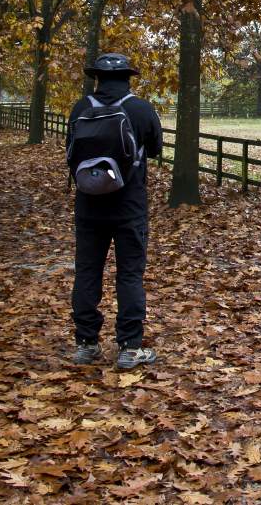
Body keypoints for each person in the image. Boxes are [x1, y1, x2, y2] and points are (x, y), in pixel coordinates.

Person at [66, 53, 163, 368]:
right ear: (127, 77)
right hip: (129, 207)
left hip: (88, 206)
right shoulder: (141, 109)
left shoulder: (81, 109)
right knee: (130, 275)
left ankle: (86, 343)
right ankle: (129, 347)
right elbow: (157, 148)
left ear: (97, 78)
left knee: (87, 272)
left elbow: (71, 152)